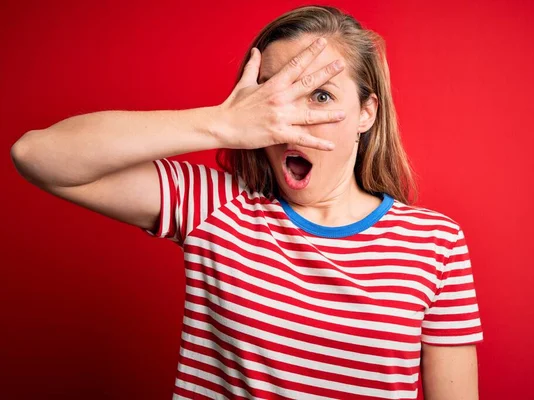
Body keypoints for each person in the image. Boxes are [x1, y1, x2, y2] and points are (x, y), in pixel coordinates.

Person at [10, 5, 483, 400]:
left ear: (366, 112)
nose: (290, 120)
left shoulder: (434, 244)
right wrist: (222, 123)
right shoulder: (215, 205)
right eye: (274, 96)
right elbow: (38, 155)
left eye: (319, 95)